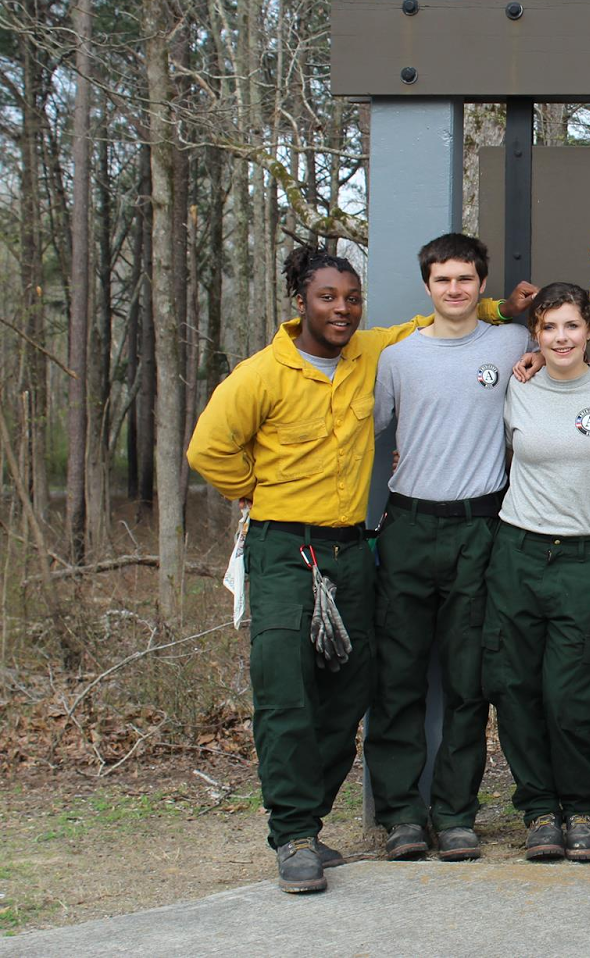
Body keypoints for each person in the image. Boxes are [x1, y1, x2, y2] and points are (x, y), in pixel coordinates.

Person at [187, 245, 526, 894]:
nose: (341, 309)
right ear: (300, 302)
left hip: (350, 550)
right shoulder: (263, 374)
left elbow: (437, 321)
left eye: (351, 298)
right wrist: (256, 488)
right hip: (286, 548)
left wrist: (498, 308)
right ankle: (293, 835)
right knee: (287, 693)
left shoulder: (371, 353)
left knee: (347, 697)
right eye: (327, 297)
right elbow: (208, 449)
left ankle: (311, 822)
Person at [363, 233, 534, 863]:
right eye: (443, 280)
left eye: (465, 279)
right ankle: (401, 815)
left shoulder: (512, 342)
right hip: (408, 527)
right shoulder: (398, 358)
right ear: (427, 286)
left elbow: (566, 367)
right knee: (398, 678)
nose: (454, 289)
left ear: (482, 284)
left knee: (468, 682)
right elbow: (363, 433)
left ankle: (456, 813)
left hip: (480, 528)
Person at [483, 282, 590, 864]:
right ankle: (540, 810)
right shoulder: (517, 386)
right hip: (518, 549)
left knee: (574, 695)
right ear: (535, 335)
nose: (561, 337)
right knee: (517, 688)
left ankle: (582, 807)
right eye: (549, 327)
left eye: (571, 325)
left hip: (587, 556)